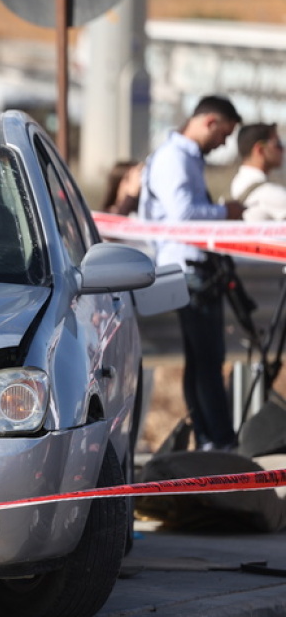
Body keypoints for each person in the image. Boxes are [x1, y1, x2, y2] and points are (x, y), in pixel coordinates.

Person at [139, 95, 244, 452]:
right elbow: (183, 215)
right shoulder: (175, 158)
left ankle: (210, 438)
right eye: (224, 134)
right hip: (189, 271)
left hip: (192, 270)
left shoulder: (183, 158)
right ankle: (217, 441)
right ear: (210, 122)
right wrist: (224, 212)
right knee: (207, 362)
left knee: (202, 362)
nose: (224, 144)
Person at [230, 122, 286, 220]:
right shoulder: (270, 193)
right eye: (278, 144)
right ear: (260, 149)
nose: (283, 150)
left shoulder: (236, 183)